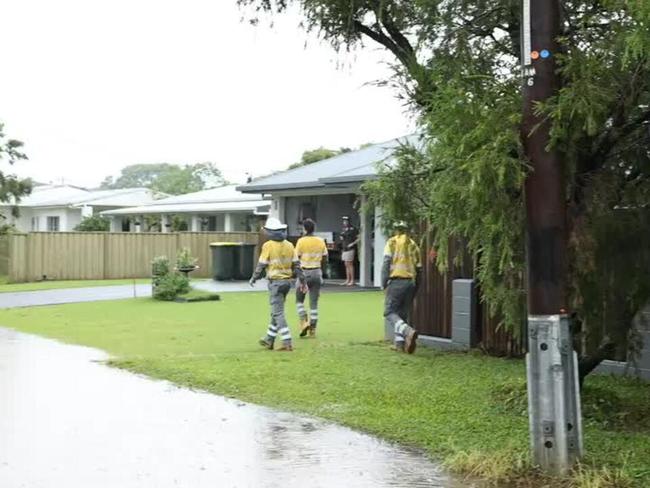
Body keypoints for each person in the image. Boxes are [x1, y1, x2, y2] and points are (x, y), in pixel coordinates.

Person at [249, 217, 305, 352]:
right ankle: (269, 339)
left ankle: (287, 342)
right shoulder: (290, 245)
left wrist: (254, 278)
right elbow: (297, 265)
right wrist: (303, 280)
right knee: (276, 311)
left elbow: (261, 264)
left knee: (278, 313)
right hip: (287, 283)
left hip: (275, 283)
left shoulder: (268, 245)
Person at [382, 221, 422, 354]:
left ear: (395, 230)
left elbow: (386, 263)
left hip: (397, 281)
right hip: (411, 282)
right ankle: (400, 344)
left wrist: (384, 282)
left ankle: (408, 331)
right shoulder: (413, 244)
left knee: (389, 312)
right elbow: (419, 269)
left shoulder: (392, 242)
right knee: (402, 314)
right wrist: (416, 287)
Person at [294, 218, 328, 338]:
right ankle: (313, 329)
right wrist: (321, 272)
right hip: (317, 272)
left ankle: (304, 321)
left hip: (305, 273)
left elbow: (296, 259)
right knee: (314, 303)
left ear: (304, 228)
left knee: (299, 300)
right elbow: (325, 258)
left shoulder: (301, 241)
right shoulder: (320, 241)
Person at [339, 216, 359, 286]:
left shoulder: (353, 229)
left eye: (346, 221)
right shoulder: (343, 229)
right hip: (344, 248)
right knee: (346, 264)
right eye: (344, 221)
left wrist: (352, 244)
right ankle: (348, 279)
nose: (344, 222)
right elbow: (342, 237)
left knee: (350, 264)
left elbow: (358, 238)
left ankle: (352, 280)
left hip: (350, 248)